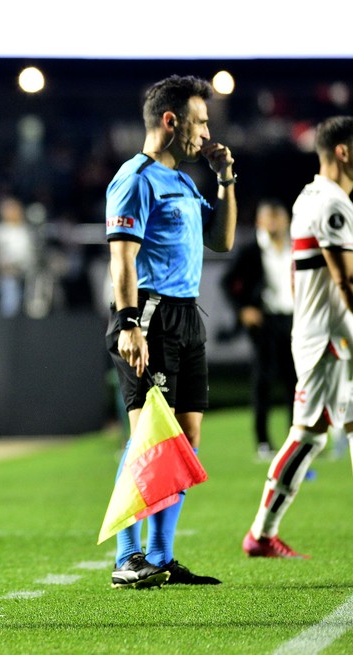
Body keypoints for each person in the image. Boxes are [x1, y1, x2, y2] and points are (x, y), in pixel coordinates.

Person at [105, 74, 236, 588]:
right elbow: (122, 257)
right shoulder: (134, 177)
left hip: (188, 316)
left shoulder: (182, 180)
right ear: (170, 120)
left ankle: (159, 556)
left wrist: (224, 180)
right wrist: (127, 323)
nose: (205, 134)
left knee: (186, 441)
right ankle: (127, 556)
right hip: (151, 317)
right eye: (200, 122)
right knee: (148, 440)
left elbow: (221, 240)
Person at [242, 116, 353, 559]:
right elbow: (346, 281)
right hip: (329, 336)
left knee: (317, 433)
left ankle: (262, 534)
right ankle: (261, 534)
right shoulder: (332, 203)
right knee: (309, 433)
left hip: (322, 331)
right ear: (343, 151)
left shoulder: (312, 196)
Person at [220, 199, 296, 460]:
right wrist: (243, 309)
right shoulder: (251, 250)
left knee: (295, 382)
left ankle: (295, 440)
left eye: (278, 216)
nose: (274, 221)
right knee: (263, 381)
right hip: (266, 322)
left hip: (293, 319)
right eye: (269, 216)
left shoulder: (295, 247)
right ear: (259, 222)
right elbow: (227, 282)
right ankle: (263, 441)